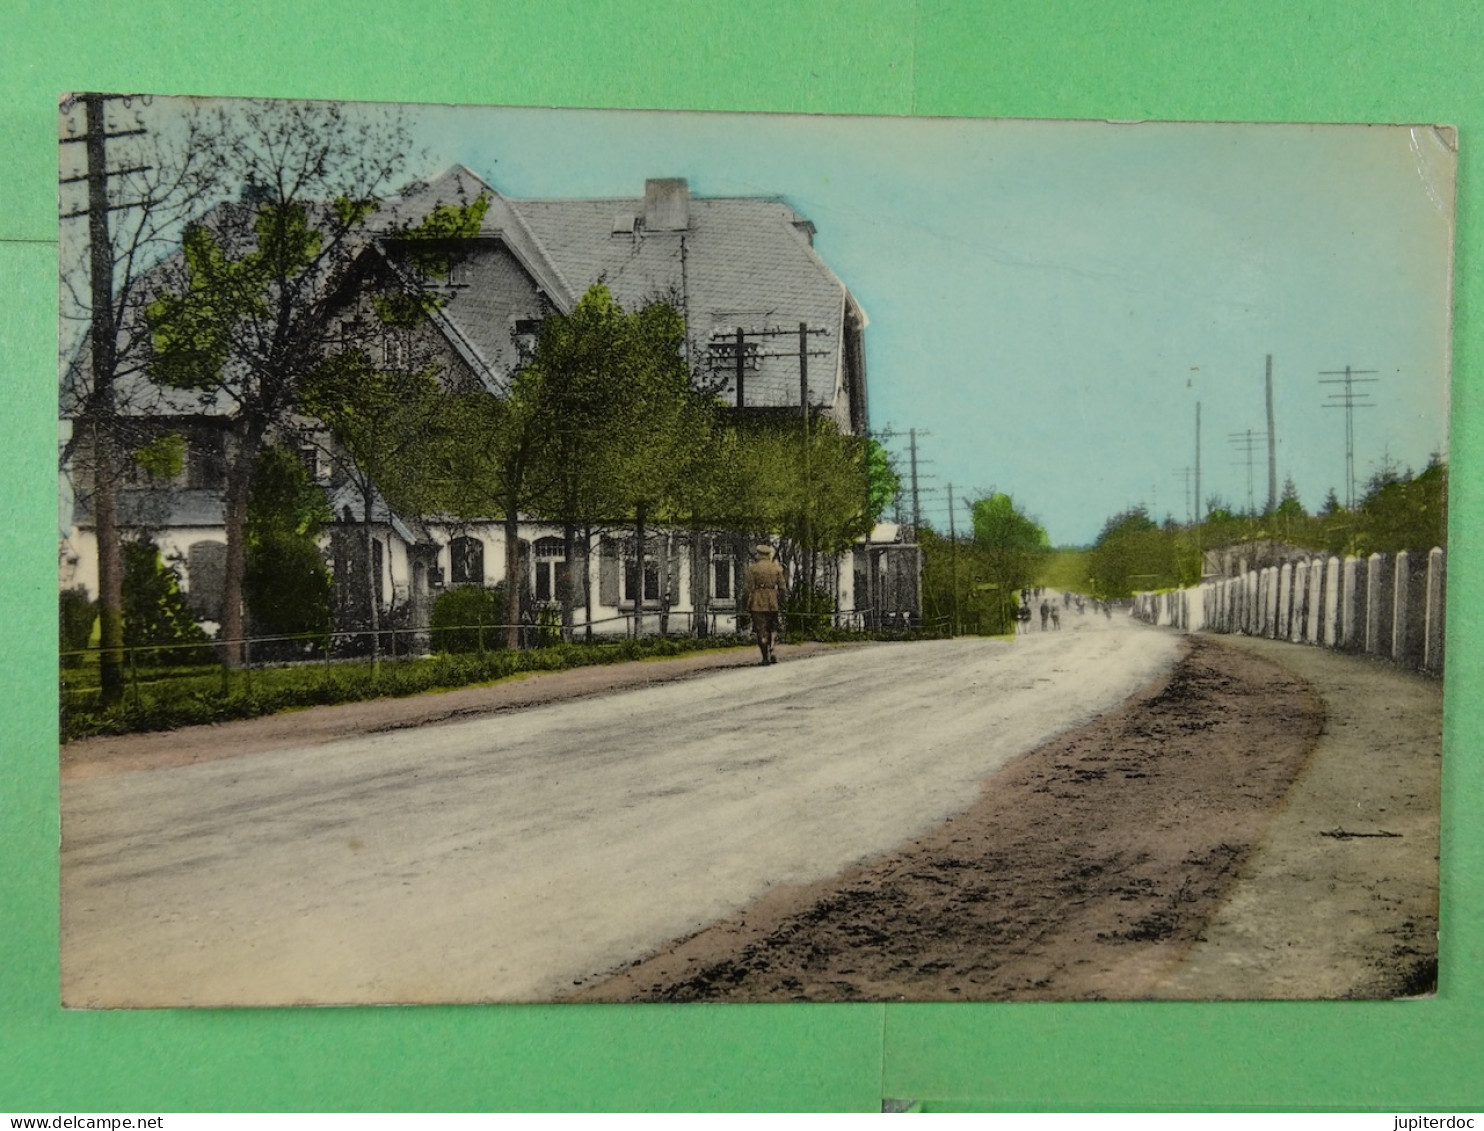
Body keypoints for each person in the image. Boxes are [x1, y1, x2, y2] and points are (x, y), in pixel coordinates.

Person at [742, 543, 786, 665]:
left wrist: (745, 603)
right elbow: (782, 588)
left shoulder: (753, 569)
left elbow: (746, 589)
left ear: (759, 555)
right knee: (772, 627)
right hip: (773, 602)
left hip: (758, 602)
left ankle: (765, 657)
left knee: (761, 629)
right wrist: (782, 602)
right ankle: (772, 650)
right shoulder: (776, 568)